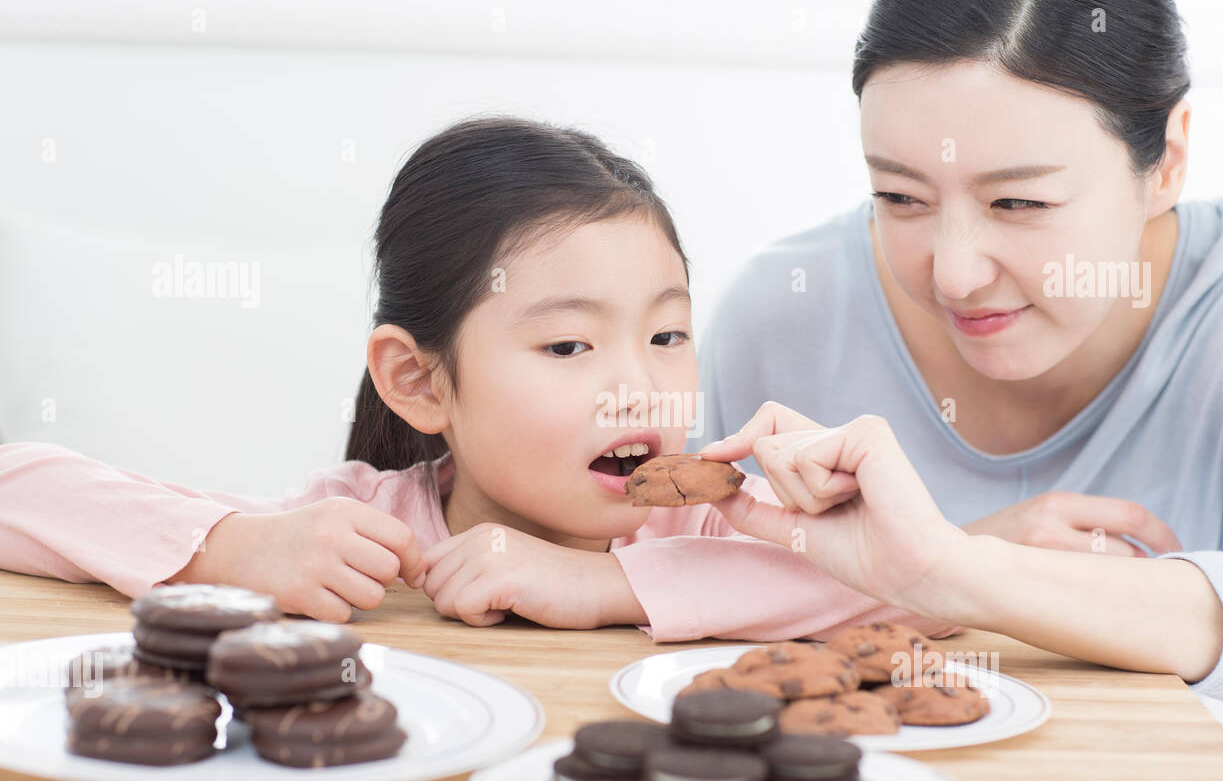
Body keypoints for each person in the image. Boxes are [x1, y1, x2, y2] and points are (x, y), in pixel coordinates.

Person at [0, 116, 955, 644]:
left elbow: (923, 593)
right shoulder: (364, 526)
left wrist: (608, 586)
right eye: (569, 348)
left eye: (668, 334)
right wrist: (237, 549)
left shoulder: (714, 523)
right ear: (419, 382)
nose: (637, 387)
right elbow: (19, 489)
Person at [696, 0, 1223, 705]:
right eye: (899, 197)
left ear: (1166, 162)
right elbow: (689, 581)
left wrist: (955, 571)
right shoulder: (783, 316)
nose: (955, 274)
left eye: (1019, 202)